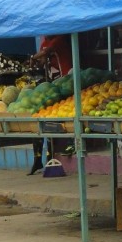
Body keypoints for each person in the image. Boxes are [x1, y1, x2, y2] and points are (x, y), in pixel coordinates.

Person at [29, 36, 73, 175]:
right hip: (53, 84)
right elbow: (43, 59)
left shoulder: (59, 39)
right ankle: (38, 158)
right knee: (46, 117)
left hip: (66, 80)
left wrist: (34, 57)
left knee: (66, 113)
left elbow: (46, 52)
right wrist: (36, 63)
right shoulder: (43, 42)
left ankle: (70, 144)